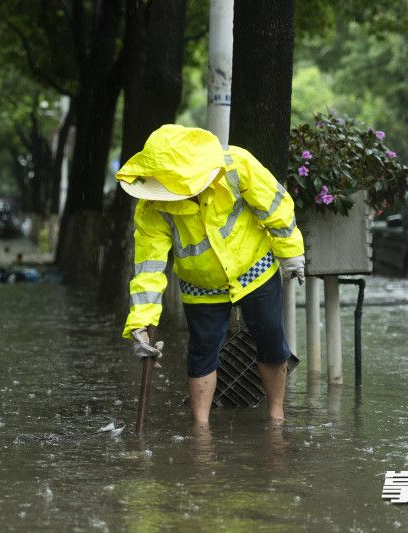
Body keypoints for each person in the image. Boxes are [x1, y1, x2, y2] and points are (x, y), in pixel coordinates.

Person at [116, 124, 305, 426]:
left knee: (272, 341)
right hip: (200, 286)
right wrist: (141, 322)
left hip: (254, 268)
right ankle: (201, 429)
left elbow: (275, 205)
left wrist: (290, 251)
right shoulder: (152, 208)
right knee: (202, 353)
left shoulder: (236, 165)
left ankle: (276, 417)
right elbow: (149, 269)